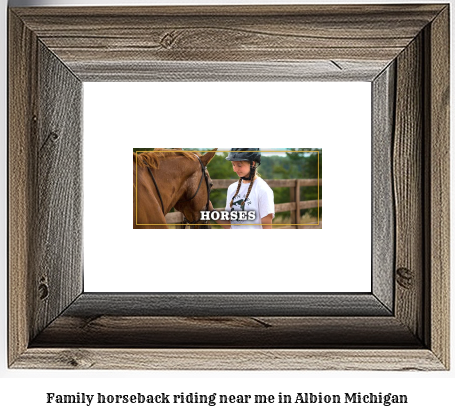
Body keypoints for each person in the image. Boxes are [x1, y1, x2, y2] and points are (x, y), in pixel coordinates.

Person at [208, 148, 275, 229]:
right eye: (233, 164)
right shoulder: (232, 188)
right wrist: (211, 211)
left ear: (252, 163)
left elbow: (267, 228)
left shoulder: (263, 190)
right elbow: (230, 225)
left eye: (239, 165)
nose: (235, 169)